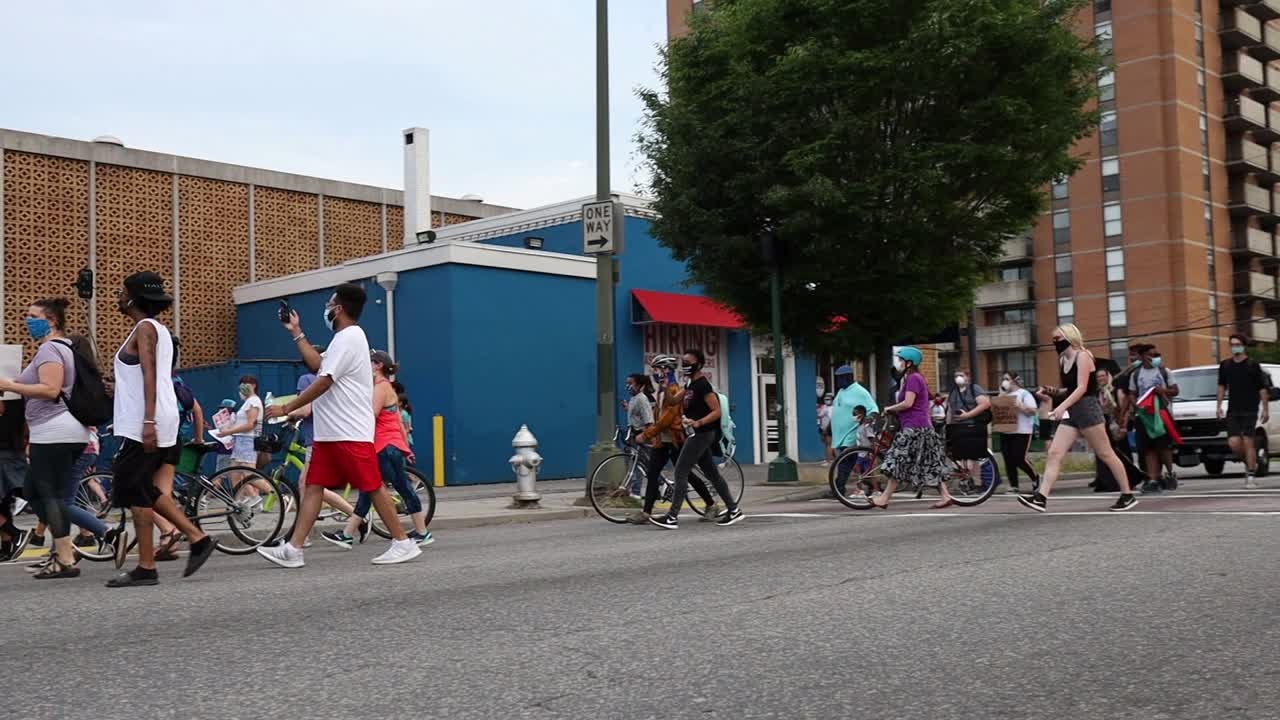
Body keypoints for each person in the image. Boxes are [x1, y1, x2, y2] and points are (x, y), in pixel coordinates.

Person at [259, 283, 421, 567]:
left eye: (330, 304)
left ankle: (403, 542)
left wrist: (287, 408)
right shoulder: (342, 341)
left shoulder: (350, 337)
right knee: (313, 486)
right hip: (331, 434)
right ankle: (294, 549)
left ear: (339, 309)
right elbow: (317, 366)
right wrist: (296, 332)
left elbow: (324, 381)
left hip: (348, 431)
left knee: (372, 485)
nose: (326, 308)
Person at [105, 272, 215, 586]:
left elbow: (150, 374)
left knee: (131, 486)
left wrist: (148, 421)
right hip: (156, 418)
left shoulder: (145, 328)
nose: (119, 296)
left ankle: (157, 560)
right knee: (141, 489)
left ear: (135, 298)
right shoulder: (158, 330)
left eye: (123, 291)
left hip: (148, 421)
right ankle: (188, 543)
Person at [0, 298, 119, 579]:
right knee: (33, 492)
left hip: (54, 431)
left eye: (32, 316)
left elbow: (51, 390)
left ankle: (65, 559)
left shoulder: (51, 348)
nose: (27, 321)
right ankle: (78, 547)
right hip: (61, 431)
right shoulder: (63, 348)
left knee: (49, 494)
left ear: (51, 320)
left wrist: (9, 384)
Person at [1017, 324, 1138, 513]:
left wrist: (1061, 407)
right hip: (1072, 412)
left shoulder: (1083, 356)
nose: (1055, 342)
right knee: (1055, 453)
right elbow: (1069, 390)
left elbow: (1082, 388)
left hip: (1088, 410)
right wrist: (1052, 392)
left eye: (1057, 338)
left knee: (1106, 454)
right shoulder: (1062, 360)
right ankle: (1041, 497)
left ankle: (1127, 494)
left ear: (1069, 336)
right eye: (1053, 339)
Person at [322, 350, 434, 549]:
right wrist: (405, 447)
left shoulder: (381, 388)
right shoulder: (384, 387)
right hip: (387, 446)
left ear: (378, 365)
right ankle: (348, 533)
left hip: (385, 447)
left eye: (370, 362)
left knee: (399, 488)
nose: (367, 365)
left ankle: (422, 532)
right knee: (370, 489)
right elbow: (398, 421)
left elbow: (370, 415)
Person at [648, 350, 744, 529]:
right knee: (712, 474)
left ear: (699, 365)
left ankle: (672, 516)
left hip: (702, 434)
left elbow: (717, 411)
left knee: (680, 471)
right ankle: (733, 510)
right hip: (697, 434)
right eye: (683, 362)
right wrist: (664, 385)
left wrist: (698, 422)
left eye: (688, 362)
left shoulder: (702, 385)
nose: (685, 365)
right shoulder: (690, 383)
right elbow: (673, 401)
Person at [627, 355, 719, 525]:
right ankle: (646, 512)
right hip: (663, 441)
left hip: (677, 440)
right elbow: (658, 416)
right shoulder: (662, 391)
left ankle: (711, 504)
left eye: (656, 369)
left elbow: (667, 419)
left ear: (666, 370)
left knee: (687, 475)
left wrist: (646, 434)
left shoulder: (676, 390)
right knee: (653, 473)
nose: (654, 373)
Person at [867, 347, 952, 509]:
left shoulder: (913, 378)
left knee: (897, 460)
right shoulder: (916, 378)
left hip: (914, 428)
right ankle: (946, 496)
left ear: (909, 362)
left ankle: (884, 498)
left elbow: (908, 403)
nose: (898, 363)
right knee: (930, 463)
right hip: (922, 428)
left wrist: (890, 408)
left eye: (901, 360)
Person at [1217, 333, 1272, 490]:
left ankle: (1250, 475)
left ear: (1244, 345)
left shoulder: (1252, 365)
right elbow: (1221, 385)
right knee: (1234, 443)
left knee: (1249, 442)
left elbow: (1262, 389)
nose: (1235, 347)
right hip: (1233, 410)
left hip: (1250, 409)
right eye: (1232, 344)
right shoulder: (1225, 365)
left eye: (1238, 344)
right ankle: (1250, 462)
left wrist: (1265, 409)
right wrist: (1219, 405)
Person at [1124, 344, 1178, 494]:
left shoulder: (1164, 371)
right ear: (1142, 357)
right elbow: (1132, 393)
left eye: (1157, 355)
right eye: (1152, 355)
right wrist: (1136, 405)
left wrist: (1163, 391)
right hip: (1143, 416)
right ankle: (1153, 478)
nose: (1155, 358)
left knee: (1164, 447)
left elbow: (1175, 390)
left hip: (1162, 413)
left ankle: (1169, 472)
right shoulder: (1136, 374)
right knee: (1148, 449)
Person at [829, 365, 878, 497]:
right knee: (857, 464)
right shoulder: (841, 392)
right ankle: (872, 486)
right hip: (839, 436)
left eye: (841, 378)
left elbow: (873, 409)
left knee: (845, 463)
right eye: (837, 378)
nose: (838, 381)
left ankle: (838, 489)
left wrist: (867, 420)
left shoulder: (860, 391)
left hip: (852, 434)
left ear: (849, 377)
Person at [1094, 367, 1146, 493]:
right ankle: (1107, 482)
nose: (1101, 379)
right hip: (1101, 425)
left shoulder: (1115, 391)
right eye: (1098, 377)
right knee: (1103, 454)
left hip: (1116, 424)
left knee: (1121, 453)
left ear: (1108, 376)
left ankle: (1130, 479)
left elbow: (1124, 408)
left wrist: (1123, 426)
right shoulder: (1097, 393)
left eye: (1103, 376)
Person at [997, 372, 1040, 495]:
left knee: (1019, 458)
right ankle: (1014, 485)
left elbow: (1033, 411)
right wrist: (1001, 395)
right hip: (1006, 430)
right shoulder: (1003, 395)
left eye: (1007, 379)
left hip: (1022, 431)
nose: (1004, 381)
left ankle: (1035, 477)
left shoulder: (1024, 394)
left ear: (1014, 380)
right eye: (1003, 379)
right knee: (1008, 459)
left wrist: (1021, 407)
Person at [946, 369, 993, 481]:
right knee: (959, 454)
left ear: (967, 377)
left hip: (973, 426)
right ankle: (966, 479)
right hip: (958, 427)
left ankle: (975, 481)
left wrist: (967, 415)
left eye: (961, 375)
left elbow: (985, 404)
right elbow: (950, 410)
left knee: (973, 455)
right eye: (956, 376)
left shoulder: (974, 389)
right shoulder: (953, 391)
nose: (958, 378)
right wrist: (948, 425)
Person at [0, 398, 32, 562]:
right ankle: (6, 545)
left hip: (6, 449)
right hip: (12, 447)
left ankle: (13, 533)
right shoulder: (16, 389)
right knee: (4, 502)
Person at [623, 373, 656, 498]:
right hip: (632, 435)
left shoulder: (642, 399)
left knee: (641, 465)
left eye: (630, 383)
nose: (628, 386)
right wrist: (627, 408)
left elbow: (649, 421)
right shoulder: (633, 398)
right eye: (627, 383)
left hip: (641, 436)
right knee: (634, 463)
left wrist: (645, 437)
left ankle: (636, 492)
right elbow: (636, 414)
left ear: (640, 385)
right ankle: (632, 489)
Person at [818, 393, 833, 464]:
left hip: (828, 428)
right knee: (825, 443)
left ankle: (829, 461)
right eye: (825, 399)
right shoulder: (824, 407)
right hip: (822, 427)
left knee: (829, 444)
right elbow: (819, 415)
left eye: (828, 399)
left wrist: (827, 429)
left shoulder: (832, 408)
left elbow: (831, 419)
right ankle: (828, 458)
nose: (826, 401)